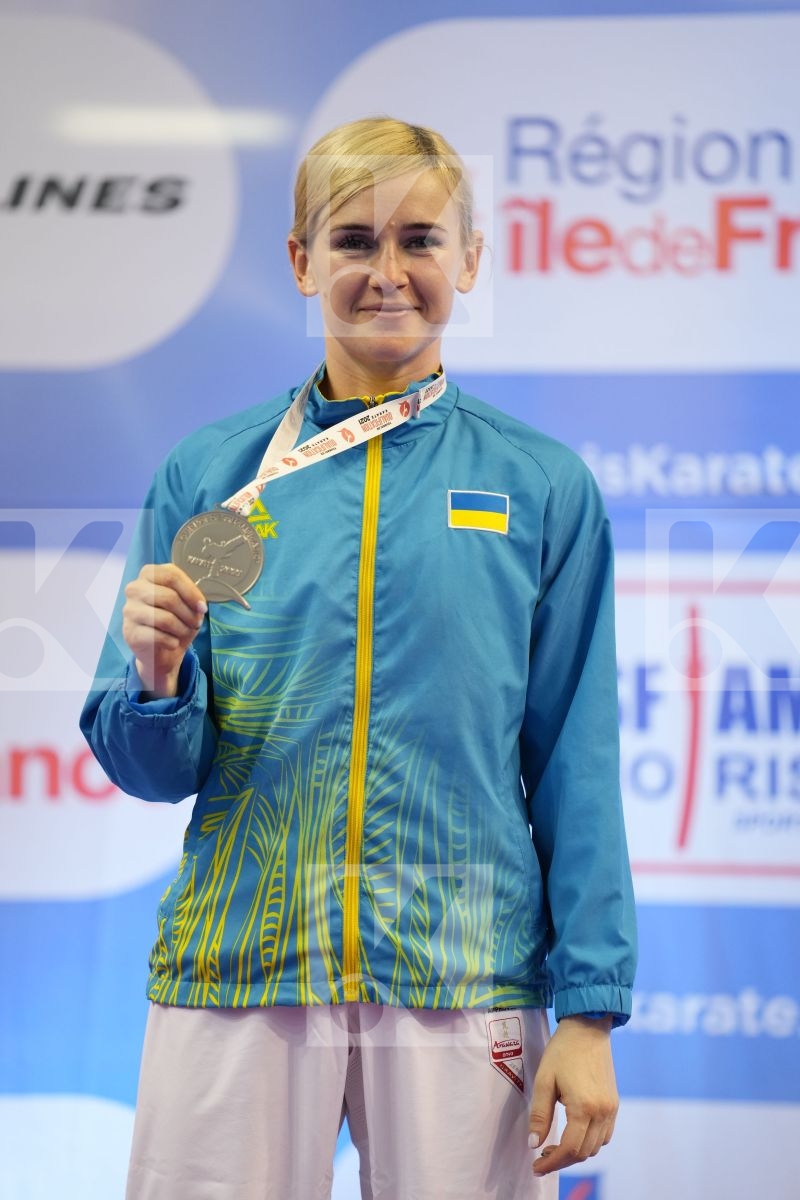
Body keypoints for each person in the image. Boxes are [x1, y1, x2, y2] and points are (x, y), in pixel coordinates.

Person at [81, 116, 637, 1200]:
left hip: (458, 962)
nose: (387, 272)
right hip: (240, 962)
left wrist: (588, 1011)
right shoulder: (215, 474)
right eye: (352, 241)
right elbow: (154, 771)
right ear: (301, 260)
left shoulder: (540, 486)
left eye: (420, 239)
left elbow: (577, 760)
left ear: (468, 259)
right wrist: (153, 685)